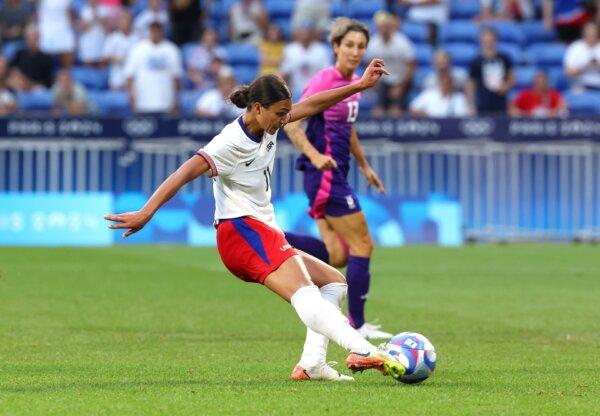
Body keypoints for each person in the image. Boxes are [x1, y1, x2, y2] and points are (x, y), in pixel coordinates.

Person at [104, 59, 409, 383]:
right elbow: (184, 172)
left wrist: (359, 87)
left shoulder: (268, 121)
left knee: (333, 282)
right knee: (304, 291)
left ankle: (312, 364)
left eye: (285, 112)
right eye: (280, 113)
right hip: (240, 230)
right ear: (259, 108)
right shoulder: (229, 142)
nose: (285, 119)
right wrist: (146, 213)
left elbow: (313, 104)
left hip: (260, 228)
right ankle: (364, 350)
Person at [282, 18, 393, 340]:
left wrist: (364, 165)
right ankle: (356, 324)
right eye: (349, 45)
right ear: (335, 47)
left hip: (336, 175)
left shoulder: (355, 84)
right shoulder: (324, 82)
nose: (355, 51)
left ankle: (273, 237)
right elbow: (291, 122)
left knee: (337, 256)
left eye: (361, 46)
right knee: (363, 244)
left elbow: (348, 128)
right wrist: (315, 156)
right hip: (325, 176)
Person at [124, 21, 182, 113]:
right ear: (150, 31)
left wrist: (176, 99)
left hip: (165, 102)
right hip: (143, 102)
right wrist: (131, 96)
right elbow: (129, 76)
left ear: (162, 31)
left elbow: (176, 78)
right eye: (153, 30)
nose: (156, 33)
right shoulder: (138, 49)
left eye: (158, 30)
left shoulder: (171, 49)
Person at [366, 11, 415, 116]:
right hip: (383, 81)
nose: (383, 29)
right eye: (380, 26)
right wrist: (375, 83)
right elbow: (370, 65)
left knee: (395, 111)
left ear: (389, 27)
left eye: (385, 26)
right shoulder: (373, 43)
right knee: (378, 112)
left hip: (401, 80)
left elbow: (412, 66)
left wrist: (401, 87)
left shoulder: (402, 42)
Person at [466, 27, 514, 115]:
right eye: (486, 40)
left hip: (501, 106)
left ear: (495, 40)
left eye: (490, 39)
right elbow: (470, 84)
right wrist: (470, 105)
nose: (488, 42)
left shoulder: (504, 59)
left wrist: (506, 86)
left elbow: (512, 78)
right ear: (481, 41)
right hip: (482, 106)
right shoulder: (476, 61)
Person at [280, 22, 330, 98]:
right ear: (297, 33)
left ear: (313, 34)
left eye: (308, 31)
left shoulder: (321, 50)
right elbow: (284, 74)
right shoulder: (290, 49)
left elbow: (326, 74)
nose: (305, 34)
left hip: (316, 92)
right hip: (295, 92)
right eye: (302, 31)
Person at [7, 25, 54, 91]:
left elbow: (48, 81)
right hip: (19, 84)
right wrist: (17, 74)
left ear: (39, 39)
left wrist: (29, 83)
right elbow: (12, 69)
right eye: (29, 39)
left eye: (34, 39)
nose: (31, 42)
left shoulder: (47, 58)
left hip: (37, 87)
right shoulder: (19, 54)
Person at [103, 10, 136, 90]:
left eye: (126, 21)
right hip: (117, 78)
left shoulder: (136, 38)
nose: (124, 24)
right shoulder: (113, 37)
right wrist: (115, 58)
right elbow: (105, 57)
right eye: (122, 21)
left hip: (133, 78)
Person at [38, 0, 75, 67]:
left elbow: (69, 13)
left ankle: (67, 74)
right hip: (46, 30)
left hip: (63, 28)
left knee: (67, 51)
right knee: (43, 55)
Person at [564, 21, 600, 91]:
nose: (590, 36)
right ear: (583, 34)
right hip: (580, 85)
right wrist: (585, 66)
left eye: (593, 34)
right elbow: (568, 72)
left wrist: (597, 64)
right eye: (588, 33)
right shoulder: (575, 47)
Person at [78, 0, 108, 66]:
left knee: (101, 62)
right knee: (88, 63)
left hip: (100, 39)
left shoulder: (104, 9)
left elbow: (105, 25)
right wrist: (92, 16)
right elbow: (84, 28)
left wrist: (96, 13)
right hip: (88, 41)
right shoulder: (84, 10)